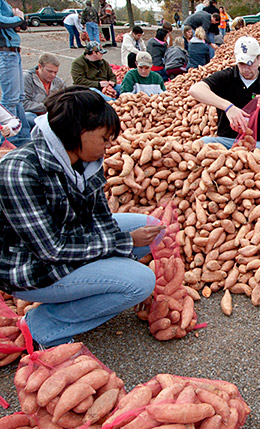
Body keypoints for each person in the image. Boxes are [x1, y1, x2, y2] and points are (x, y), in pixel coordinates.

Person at [0, 87, 165, 348]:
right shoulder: (19, 170)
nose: (109, 146)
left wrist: (119, 250)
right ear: (79, 132)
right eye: (104, 138)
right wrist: (124, 245)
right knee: (140, 281)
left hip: (73, 239)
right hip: (31, 268)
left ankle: (104, 286)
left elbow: (100, 217)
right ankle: (45, 325)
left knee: (153, 227)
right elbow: (51, 250)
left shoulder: (84, 162)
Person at [189, 36, 260, 160]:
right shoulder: (227, 77)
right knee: (196, 148)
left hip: (255, 144)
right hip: (224, 141)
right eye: (241, 64)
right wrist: (228, 107)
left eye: (250, 63)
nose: (245, 69)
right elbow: (195, 90)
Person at [0, 0, 31, 147]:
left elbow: (21, 25)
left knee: (19, 98)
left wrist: (20, 19)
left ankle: (24, 138)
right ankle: (8, 143)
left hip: (13, 51)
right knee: (10, 100)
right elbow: (2, 21)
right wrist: (18, 18)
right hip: (4, 52)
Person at [23, 53, 66, 130]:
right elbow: (24, 104)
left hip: (51, 115)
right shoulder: (27, 78)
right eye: (49, 71)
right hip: (34, 115)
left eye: (55, 72)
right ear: (40, 67)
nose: (53, 75)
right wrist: (48, 107)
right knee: (28, 117)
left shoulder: (58, 82)